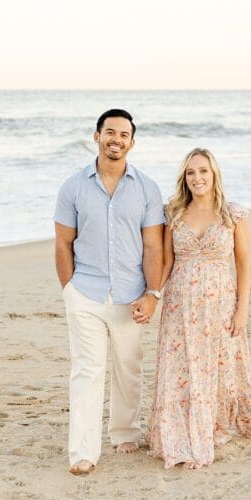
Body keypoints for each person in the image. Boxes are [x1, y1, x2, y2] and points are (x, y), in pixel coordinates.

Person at [53, 109, 166, 475]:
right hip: (85, 291)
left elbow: (153, 247)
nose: (116, 139)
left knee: (128, 367)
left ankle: (124, 433)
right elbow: (62, 243)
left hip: (130, 295)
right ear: (97, 136)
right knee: (87, 370)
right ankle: (83, 453)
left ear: (132, 142)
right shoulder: (72, 186)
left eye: (124, 134)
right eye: (110, 132)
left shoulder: (147, 188)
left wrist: (152, 293)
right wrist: (69, 290)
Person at [147, 147, 251, 469]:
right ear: (184, 178)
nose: (197, 177)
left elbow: (243, 265)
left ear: (214, 174)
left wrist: (242, 310)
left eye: (202, 171)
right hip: (180, 304)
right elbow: (167, 261)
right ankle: (178, 432)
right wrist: (153, 295)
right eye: (190, 172)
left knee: (218, 366)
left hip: (220, 303)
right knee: (180, 369)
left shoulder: (233, 215)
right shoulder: (172, 214)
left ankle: (213, 425)